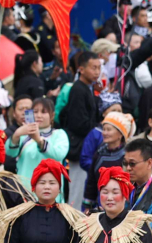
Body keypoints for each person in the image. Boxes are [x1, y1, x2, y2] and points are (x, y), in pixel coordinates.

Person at [58, 51, 102, 205]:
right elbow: (78, 123)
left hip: (85, 147)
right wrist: (98, 129)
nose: (97, 72)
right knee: (77, 191)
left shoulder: (88, 88)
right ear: (81, 69)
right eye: (93, 68)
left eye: (99, 68)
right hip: (80, 149)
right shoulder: (78, 89)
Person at [6, 97, 69, 184]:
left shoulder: (59, 134)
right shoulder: (24, 135)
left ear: (52, 115)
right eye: (35, 112)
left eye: (44, 112)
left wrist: (39, 140)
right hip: (25, 190)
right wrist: (16, 135)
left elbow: (58, 154)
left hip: (50, 190)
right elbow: (10, 153)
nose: (39, 116)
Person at [83, 111, 132, 211]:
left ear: (120, 134)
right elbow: (91, 182)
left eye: (109, 130)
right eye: (104, 129)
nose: (104, 133)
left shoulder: (127, 156)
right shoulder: (99, 153)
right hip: (101, 206)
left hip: (123, 208)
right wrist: (88, 206)